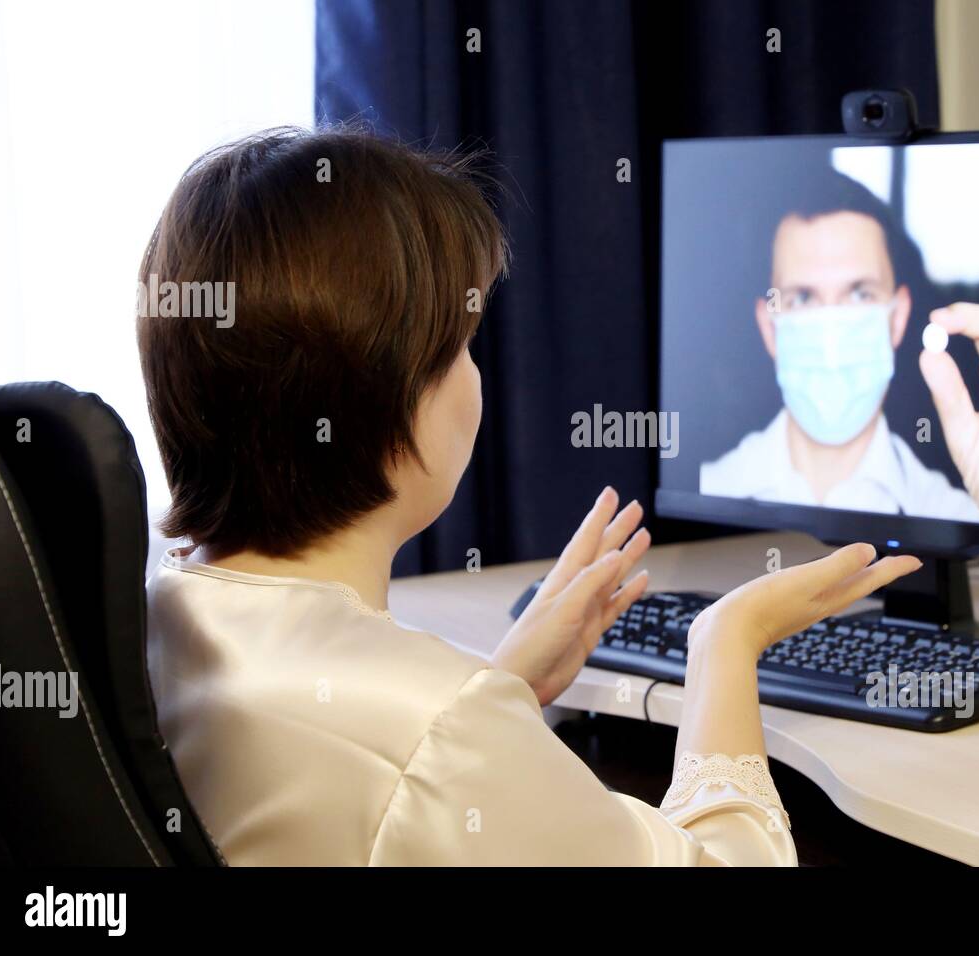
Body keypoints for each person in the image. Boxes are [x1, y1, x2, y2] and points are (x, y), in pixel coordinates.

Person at [138, 127, 921, 866]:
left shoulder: (156, 619)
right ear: (387, 395)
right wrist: (726, 640)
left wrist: (498, 690)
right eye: (460, 347)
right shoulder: (439, 729)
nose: (475, 380)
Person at [700, 169, 979, 533]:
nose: (833, 333)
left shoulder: (964, 523)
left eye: (859, 293)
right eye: (803, 297)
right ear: (769, 327)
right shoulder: (706, 499)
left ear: (898, 317)